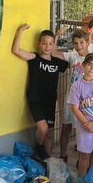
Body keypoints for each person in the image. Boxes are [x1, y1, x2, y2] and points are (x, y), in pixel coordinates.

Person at [12, 25, 69, 160]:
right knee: (43, 129)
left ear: (54, 45)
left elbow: (67, 61)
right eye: (44, 43)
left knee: (49, 134)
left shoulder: (57, 62)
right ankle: (39, 146)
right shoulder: (35, 58)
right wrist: (19, 32)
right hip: (36, 100)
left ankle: (47, 161)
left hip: (50, 101)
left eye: (50, 44)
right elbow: (16, 50)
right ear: (39, 44)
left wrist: (58, 36)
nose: (47, 47)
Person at [59, 29, 93, 163]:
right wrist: (57, 35)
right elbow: (53, 52)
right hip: (70, 99)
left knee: (80, 131)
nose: (79, 46)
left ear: (88, 42)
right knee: (66, 127)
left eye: (82, 42)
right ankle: (63, 155)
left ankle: (81, 158)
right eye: (75, 43)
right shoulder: (73, 56)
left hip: (84, 102)